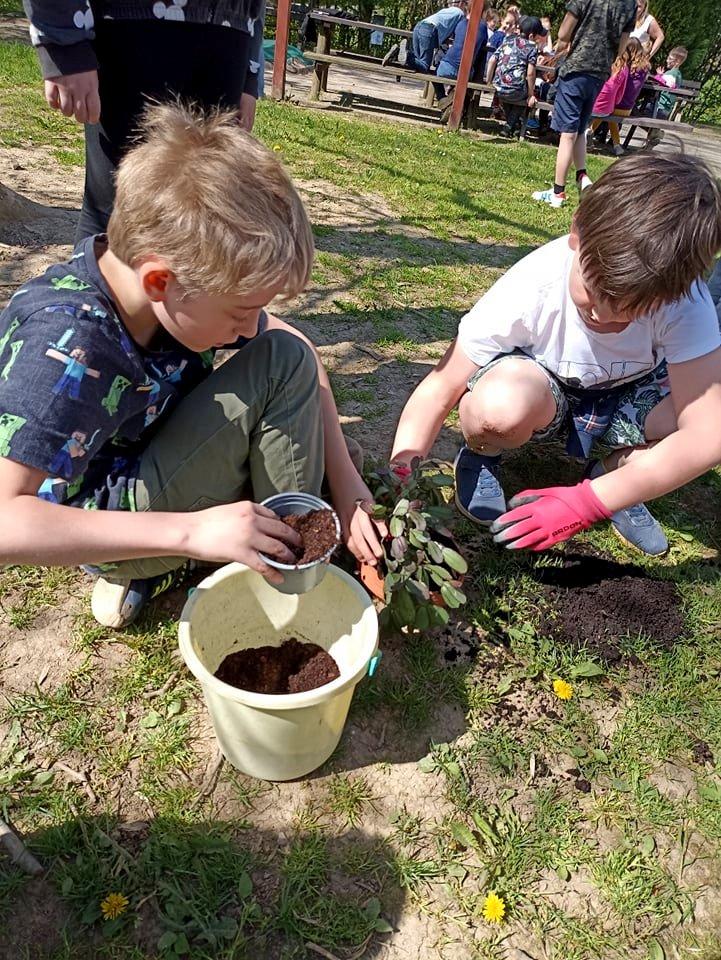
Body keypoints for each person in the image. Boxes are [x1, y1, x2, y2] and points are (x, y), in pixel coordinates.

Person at [0, 104, 384, 629]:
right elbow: (5, 522)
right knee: (279, 379)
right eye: (238, 313)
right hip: (110, 520)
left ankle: (267, 528)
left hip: (158, 455)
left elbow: (293, 346)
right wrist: (190, 532)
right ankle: (270, 562)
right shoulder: (67, 343)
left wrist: (347, 485)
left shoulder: (164, 286)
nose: (248, 330)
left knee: (285, 358)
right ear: (160, 282)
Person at [390, 154, 721, 558]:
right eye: (592, 292)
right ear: (576, 233)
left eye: (629, 309)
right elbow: (441, 386)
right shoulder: (532, 285)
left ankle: (618, 477)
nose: (603, 314)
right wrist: (400, 480)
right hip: (544, 389)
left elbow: (708, 434)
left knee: (701, 409)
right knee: (499, 405)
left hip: (625, 397)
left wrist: (589, 502)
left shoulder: (684, 301)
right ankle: (481, 454)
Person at [23, 0, 265, 243]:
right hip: (129, 23)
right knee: (118, 214)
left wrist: (250, 73)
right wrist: (64, 41)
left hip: (233, 28)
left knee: (202, 223)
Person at [531, 0, 636, 209]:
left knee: (567, 133)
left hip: (576, 69)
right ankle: (582, 177)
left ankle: (558, 193)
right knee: (580, 128)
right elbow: (623, 44)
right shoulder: (629, 4)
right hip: (600, 73)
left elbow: (563, 34)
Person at [488, 15, 547, 138]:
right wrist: (531, 95)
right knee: (524, 94)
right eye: (537, 36)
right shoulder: (531, 47)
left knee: (512, 94)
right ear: (531, 35)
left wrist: (489, 81)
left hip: (498, 87)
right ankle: (509, 126)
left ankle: (514, 126)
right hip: (515, 89)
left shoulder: (507, 40)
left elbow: (492, 60)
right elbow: (531, 73)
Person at [589, 37, 649, 155]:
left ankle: (590, 132)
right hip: (628, 108)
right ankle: (616, 145)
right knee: (610, 114)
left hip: (616, 104)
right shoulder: (645, 67)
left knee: (607, 110)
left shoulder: (625, 66)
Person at [382, 1, 468, 73]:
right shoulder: (460, 14)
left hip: (419, 26)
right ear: (462, 4)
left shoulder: (447, 11)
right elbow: (458, 32)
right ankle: (406, 54)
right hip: (430, 30)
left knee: (417, 62)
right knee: (424, 67)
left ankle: (398, 51)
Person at [433, 7, 491, 102]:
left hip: (446, 67)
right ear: (483, 13)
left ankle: (442, 98)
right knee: (470, 82)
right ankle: (456, 103)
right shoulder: (483, 27)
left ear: (467, 10)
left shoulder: (460, 24)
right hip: (465, 72)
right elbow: (483, 44)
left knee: (434, 74)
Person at [652, 45, 688, 118]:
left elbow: (665, 84)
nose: (667, 60)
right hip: (665, 109)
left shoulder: (672, 74)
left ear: (677, 62)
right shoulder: (677, 73)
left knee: (637, 110)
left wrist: (658, 76)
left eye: (670, 58)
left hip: (659, 108)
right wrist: (661, 76)